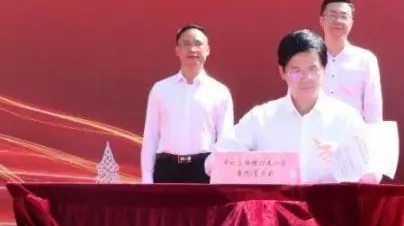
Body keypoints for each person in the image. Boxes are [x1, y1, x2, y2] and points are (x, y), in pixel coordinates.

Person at [210, 30, 379, 184]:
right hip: (275, 207)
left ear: (324, 69)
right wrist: (257, 166)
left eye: (313, 69)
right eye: (296, 71)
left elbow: (373, 173)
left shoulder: (347, 118)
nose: (306, 78)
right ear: (282, 72)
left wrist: (345, 160)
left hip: (330, 207)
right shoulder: (261, 118)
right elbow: (214, 162)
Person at [140, 24, 234, 183]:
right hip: (167, 169)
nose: (192, 49)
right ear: (177, 50)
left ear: (207, 50)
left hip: (204, 170)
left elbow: (226, 140)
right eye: (186, 44)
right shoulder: (161, 89)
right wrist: (147, 177)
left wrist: (220, 175)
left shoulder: (220, 91)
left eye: (198, 44)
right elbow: (151, 136)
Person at [319, 0, 383, 123]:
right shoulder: (307, 57)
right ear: (322, 20)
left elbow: (373, 109)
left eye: (344, 16)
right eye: (332, 15)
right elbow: (295, 95)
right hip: (314, 132)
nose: (338, 21)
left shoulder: (365, 60)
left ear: (351, 23)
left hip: (351, 132)